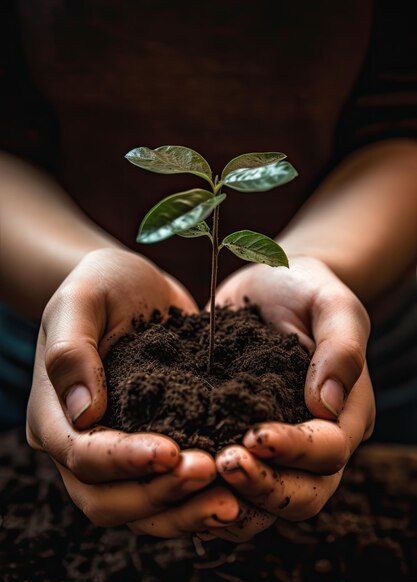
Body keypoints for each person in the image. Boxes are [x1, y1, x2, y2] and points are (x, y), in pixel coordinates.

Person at [0, 0, 416, 541]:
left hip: (369, 342)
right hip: (45, 334)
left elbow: (401, 119)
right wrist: (78, 271)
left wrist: (323, 265)